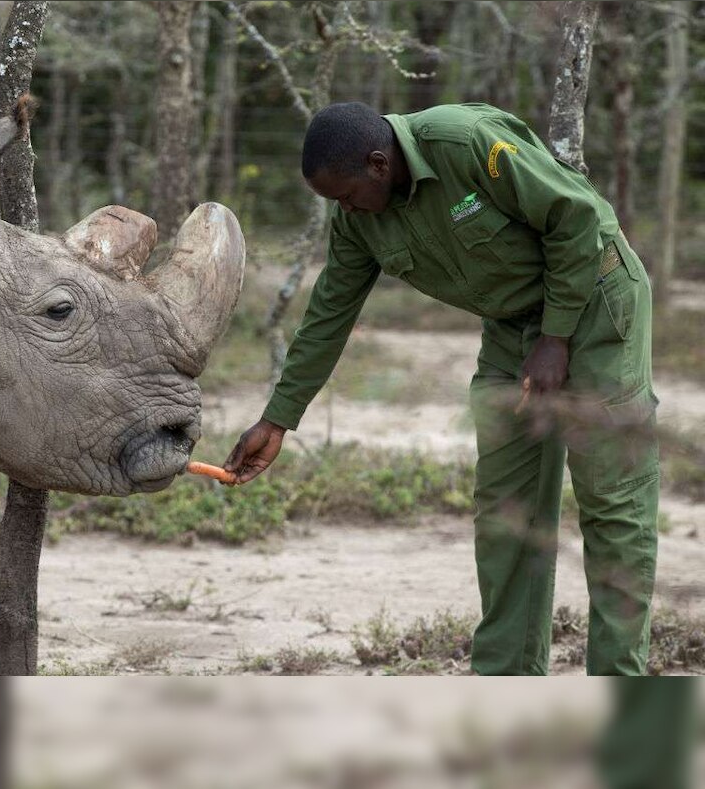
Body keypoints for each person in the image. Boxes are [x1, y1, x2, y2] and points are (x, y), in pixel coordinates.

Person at [224, 101, 659, 676]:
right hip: (513, 330)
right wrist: (277, 420)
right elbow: (329, 313)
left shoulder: (467, 143)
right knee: (507, 510)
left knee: (611, 501)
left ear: (379, 164)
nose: (344, 209)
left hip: (597, 302)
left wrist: (556, 340)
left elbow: (575, 217)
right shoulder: (359, 219)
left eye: (346, 194)